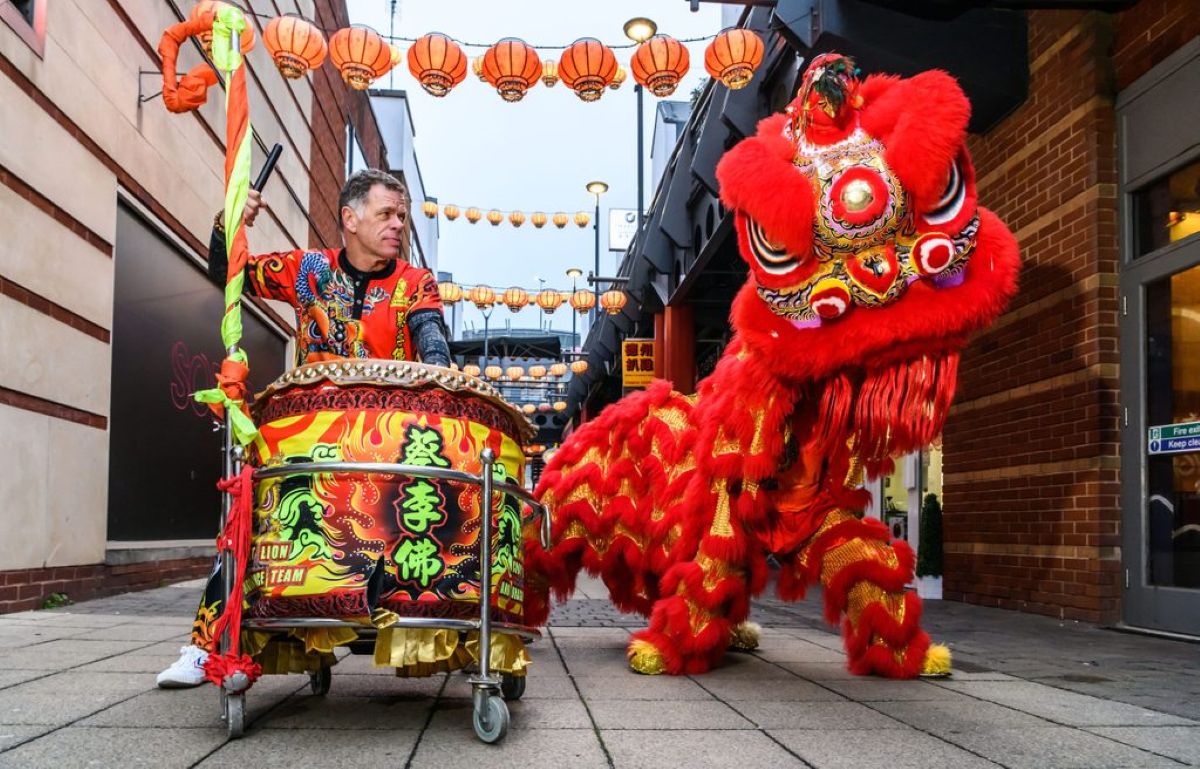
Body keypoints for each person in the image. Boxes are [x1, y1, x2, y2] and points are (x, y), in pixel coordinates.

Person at [156, 169, 450, 687]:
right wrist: (230, 222)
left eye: (401, 216)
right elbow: (227, 272)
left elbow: (433, 342)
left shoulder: (414, 283)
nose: (397, 226)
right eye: (386, 214)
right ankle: (206, 647)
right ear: (350, 219)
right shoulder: (307, 269)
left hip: (388, 446)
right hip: (311, 439)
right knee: (254, 526)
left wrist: (441, 381)